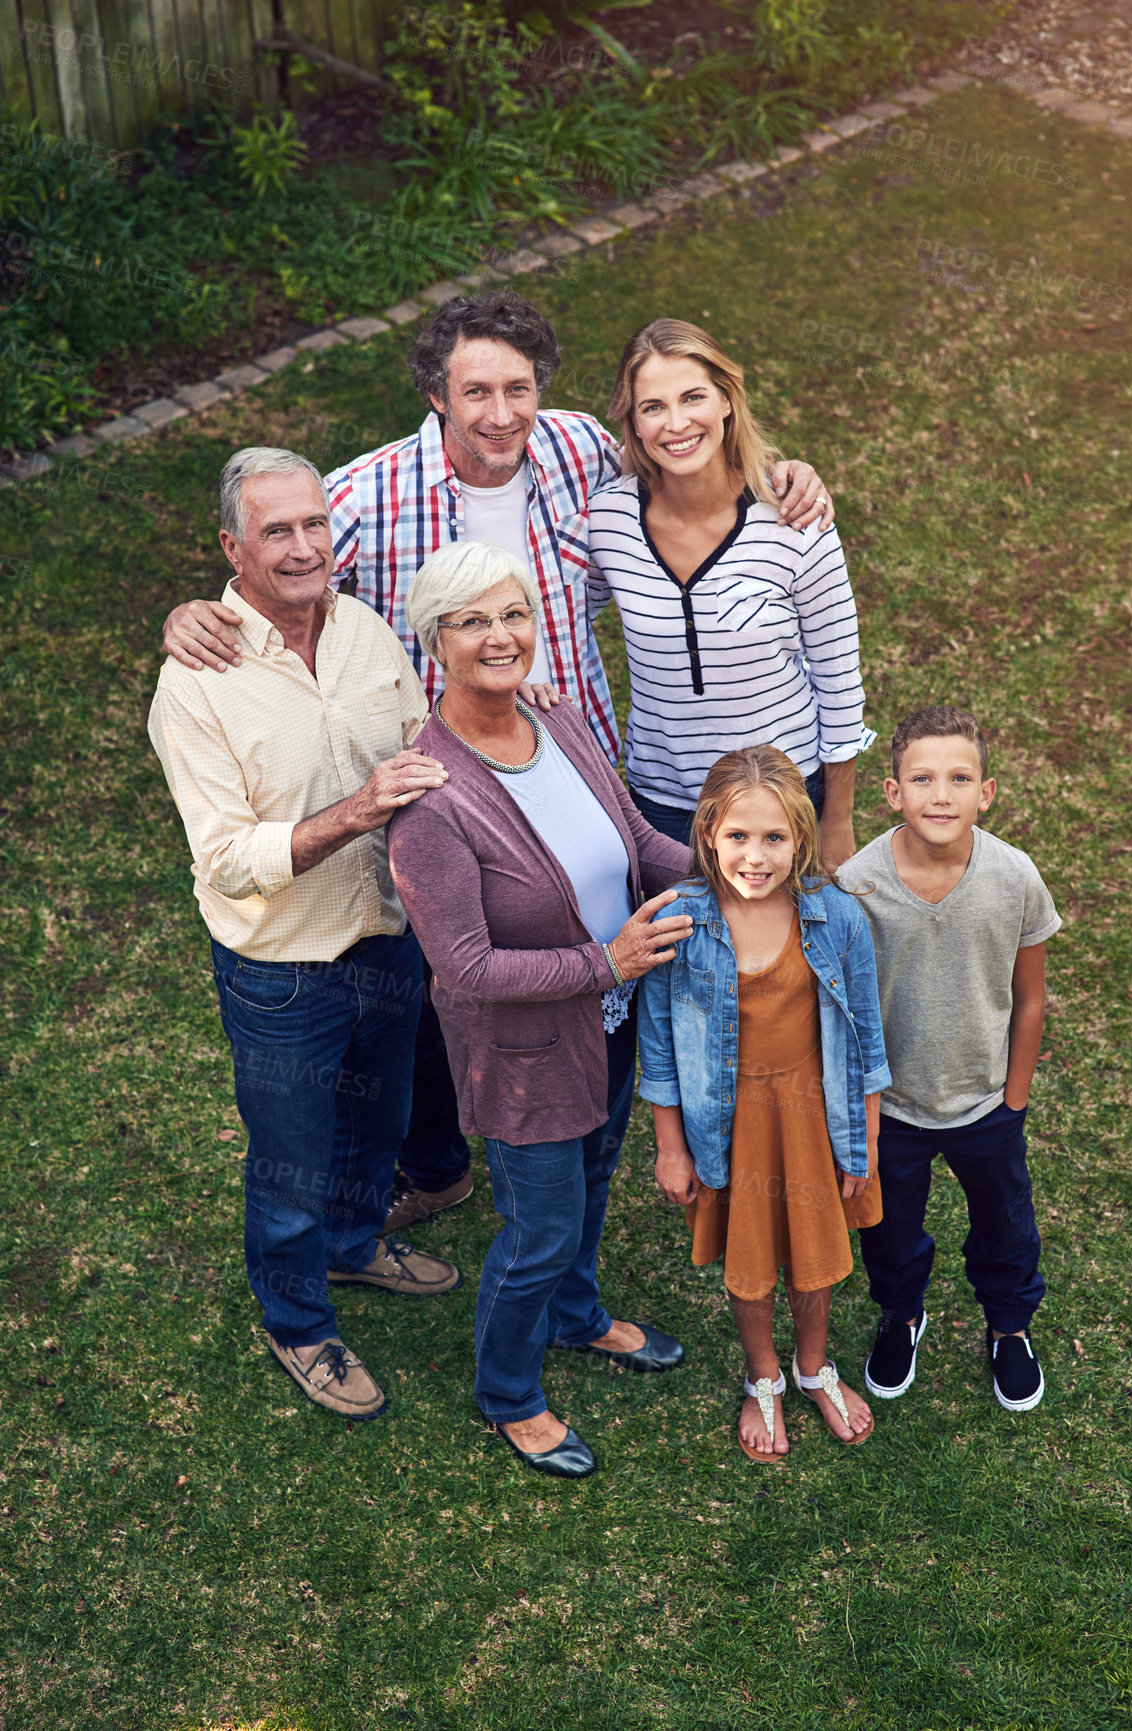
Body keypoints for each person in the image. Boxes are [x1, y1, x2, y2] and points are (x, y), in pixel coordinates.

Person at [158, 291, 834, 1235]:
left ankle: (601, 1129)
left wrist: (780, 472)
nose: (499, 414)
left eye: (518, 388)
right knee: (452, 980)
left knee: (603, 939)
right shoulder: (366, 492)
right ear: (437, 393)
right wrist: (197, 613)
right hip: (458, 775)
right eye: (476, 390)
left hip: (577, 744)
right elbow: (284, 564)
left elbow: (688, 458)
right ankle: (441, 1164)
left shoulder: (577, 449)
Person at [147, 447, 461, 1425]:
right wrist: (354, 814)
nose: (302, 546)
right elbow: (227, 861)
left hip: (384, 936)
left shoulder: (367, 630)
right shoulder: (194, 686)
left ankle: (357, 1242)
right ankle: (296, 1319)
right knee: (290, 1162)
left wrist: (506, 706)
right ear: (233, 550)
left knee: (378, 1124)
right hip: (282, 969)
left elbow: (426, 746)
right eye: (275, 531)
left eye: (314, 524)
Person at [388, 541, 694, 1480]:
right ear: (434, 640)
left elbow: (637, 841)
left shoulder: (556, 722)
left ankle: (575, 1315)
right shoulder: (430, 796)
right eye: (472, 620)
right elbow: (465, 967)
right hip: (521, 1050)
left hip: (608, 1025)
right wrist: (604, 962)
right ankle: (510, 1392)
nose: (499, 636)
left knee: (594, 1179)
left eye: (512, 613)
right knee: (539, 1227)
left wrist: (740, 875)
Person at [639, 746, 890, 1461]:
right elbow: (656, 1049)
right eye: (738, 836)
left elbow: (866, 1041)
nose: (755, 856)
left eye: (774, 837)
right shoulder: (680, 921)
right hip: (728, 1122)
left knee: (813, 1254)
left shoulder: (834, 917)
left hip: (813, 1117)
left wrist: (863, 1146)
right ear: (708, 834)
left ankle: (813, 1366)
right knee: (749, 1258)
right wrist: (669, 1146)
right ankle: (763, 1375)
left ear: (801, 839)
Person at [588, 318, 871, 867]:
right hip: (661, 809)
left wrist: (837, 821)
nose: (676, 424)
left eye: (693, 397)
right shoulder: (608, 520)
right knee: (685, 952)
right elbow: (561, 616)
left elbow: (839, 684)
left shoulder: (795, 517)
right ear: (634, 423)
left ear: (726, 400)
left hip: (782, 801)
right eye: (653, 407)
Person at [841, 706, 1061, 1413]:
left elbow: (1029, 999)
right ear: (892, 792)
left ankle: (1007, 1326)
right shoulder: (855, 883)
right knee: (889, 1231)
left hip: (985, 1102)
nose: (941, 794)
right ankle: (900, 1315)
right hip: (892, 1107)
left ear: (985, 792)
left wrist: (1014, 1097)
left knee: (1004, 1224)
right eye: (922, 778)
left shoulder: (1014, 877)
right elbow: (842, 1010)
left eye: (958, 778)